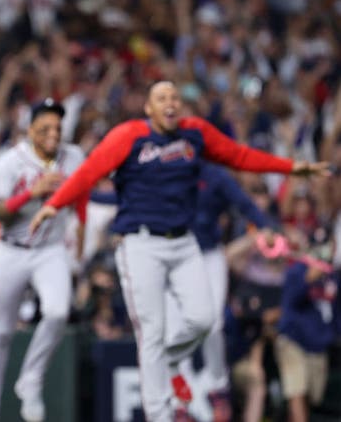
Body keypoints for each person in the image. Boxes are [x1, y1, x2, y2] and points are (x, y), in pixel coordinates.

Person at [29, 81, 329, 421]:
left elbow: (241, 156)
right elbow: (89, 173)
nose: (170, 102)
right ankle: (161, 413)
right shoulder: (128, 135)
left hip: (185, 243)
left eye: (174, 96)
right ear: (148, 108)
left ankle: (171, 359)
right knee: (152, 333)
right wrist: (54, 204)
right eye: (161, 98)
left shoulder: (195, 134)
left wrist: (290, 167)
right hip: (140, 244)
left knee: (203, 320)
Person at [0, 99, 86, 422]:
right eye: (45, 128)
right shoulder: (12, 161)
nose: (53, 133)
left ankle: (31, 378)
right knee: (0, 333)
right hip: (12, 249)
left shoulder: (74, 155)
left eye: (57, 127)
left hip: (50, 249)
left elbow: (83, 191)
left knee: (57, 312)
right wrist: (32, 193)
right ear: (30, 130)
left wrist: (78, 233)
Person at [165, 162, 275, 421]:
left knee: (212, 323)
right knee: (175, 331)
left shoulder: (215, 176)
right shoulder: (165, 169)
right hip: (174, 255)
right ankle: (182, 400)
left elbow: (245, 204)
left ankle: (218, 385)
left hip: (209, 254)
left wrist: (266, 227)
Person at [275, 244, 340, 422]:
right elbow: (289, 303)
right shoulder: (297, 270)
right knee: (297, 392)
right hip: (293, 339)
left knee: (311, 397)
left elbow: (336, 312)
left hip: (319, 343)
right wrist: (307, 280)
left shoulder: (333, 276)